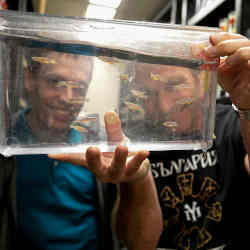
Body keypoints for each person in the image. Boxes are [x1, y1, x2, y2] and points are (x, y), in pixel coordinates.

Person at [55, 32, 250, 250]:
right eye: (147, 94)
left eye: (174, 86)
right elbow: (138, 243)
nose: (165, 107)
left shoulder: (236, 122)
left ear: (203, 81)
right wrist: (138, 180)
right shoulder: (130, 143)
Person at [10, 47, 162, 250]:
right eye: (55, 82)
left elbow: (141, 244)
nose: (66, 97)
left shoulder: (100, 147)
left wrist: (139, 180)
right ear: (29, 78)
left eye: (79, 88)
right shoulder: (8, 141)